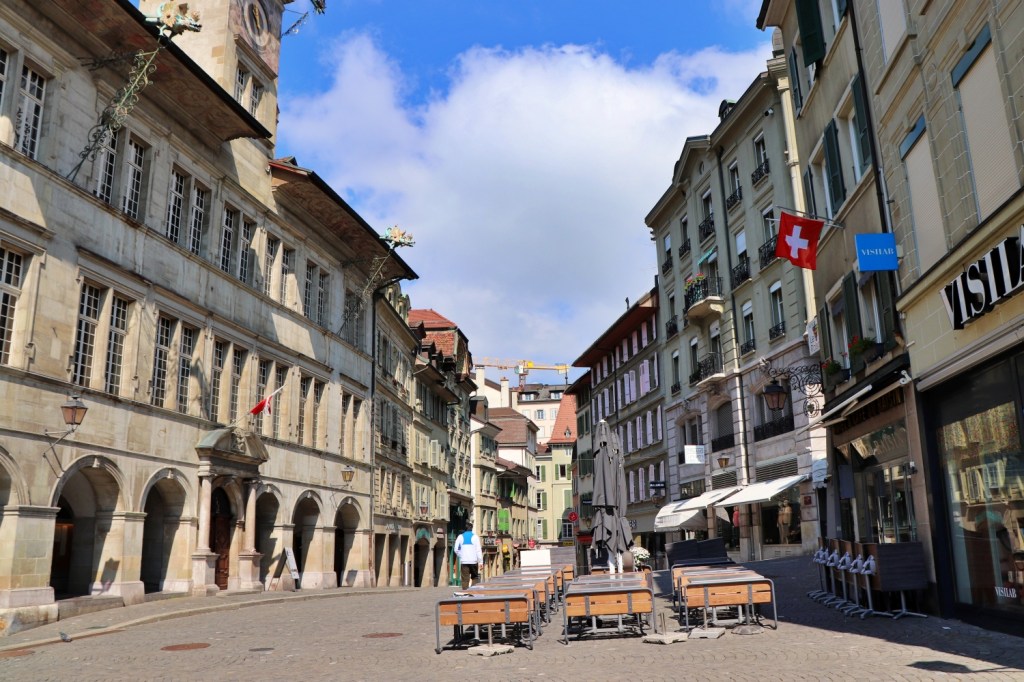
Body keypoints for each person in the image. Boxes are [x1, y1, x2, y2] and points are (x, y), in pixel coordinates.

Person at [453, 520, 483, 589]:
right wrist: (481, 562)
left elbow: (456, 549)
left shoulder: (460, 537)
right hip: (474, 561)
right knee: (475, 577)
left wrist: (462, 555)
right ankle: (473, 591)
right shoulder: (475, 537)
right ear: (471, 528)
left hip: (464, 562)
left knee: (465, 579)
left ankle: (465, 592)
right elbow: (478, 550)